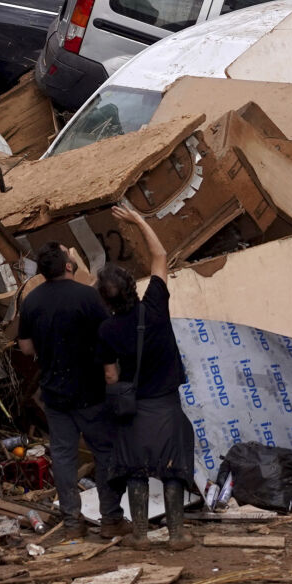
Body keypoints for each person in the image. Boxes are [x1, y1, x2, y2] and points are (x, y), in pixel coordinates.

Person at [97, 205, 195, 551]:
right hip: (166, 404)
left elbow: (110, 375)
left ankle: (139, 535)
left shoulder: (107, 330)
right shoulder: (155, 304)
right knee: (173, 467)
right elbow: (160, 255)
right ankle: (176, 534)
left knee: (135, 468)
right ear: (132, 287)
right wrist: (139, 219)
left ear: (105, 300)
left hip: (134, 408)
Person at [16, 244, 128, 541]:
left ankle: (71, 523)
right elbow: (109, 336)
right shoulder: (88, 297)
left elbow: (25, 348)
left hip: (54, 392)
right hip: (91, 391)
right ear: (68, 266)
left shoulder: (31, 302)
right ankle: (110, 519)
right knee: (105, 453)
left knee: (64, 457)